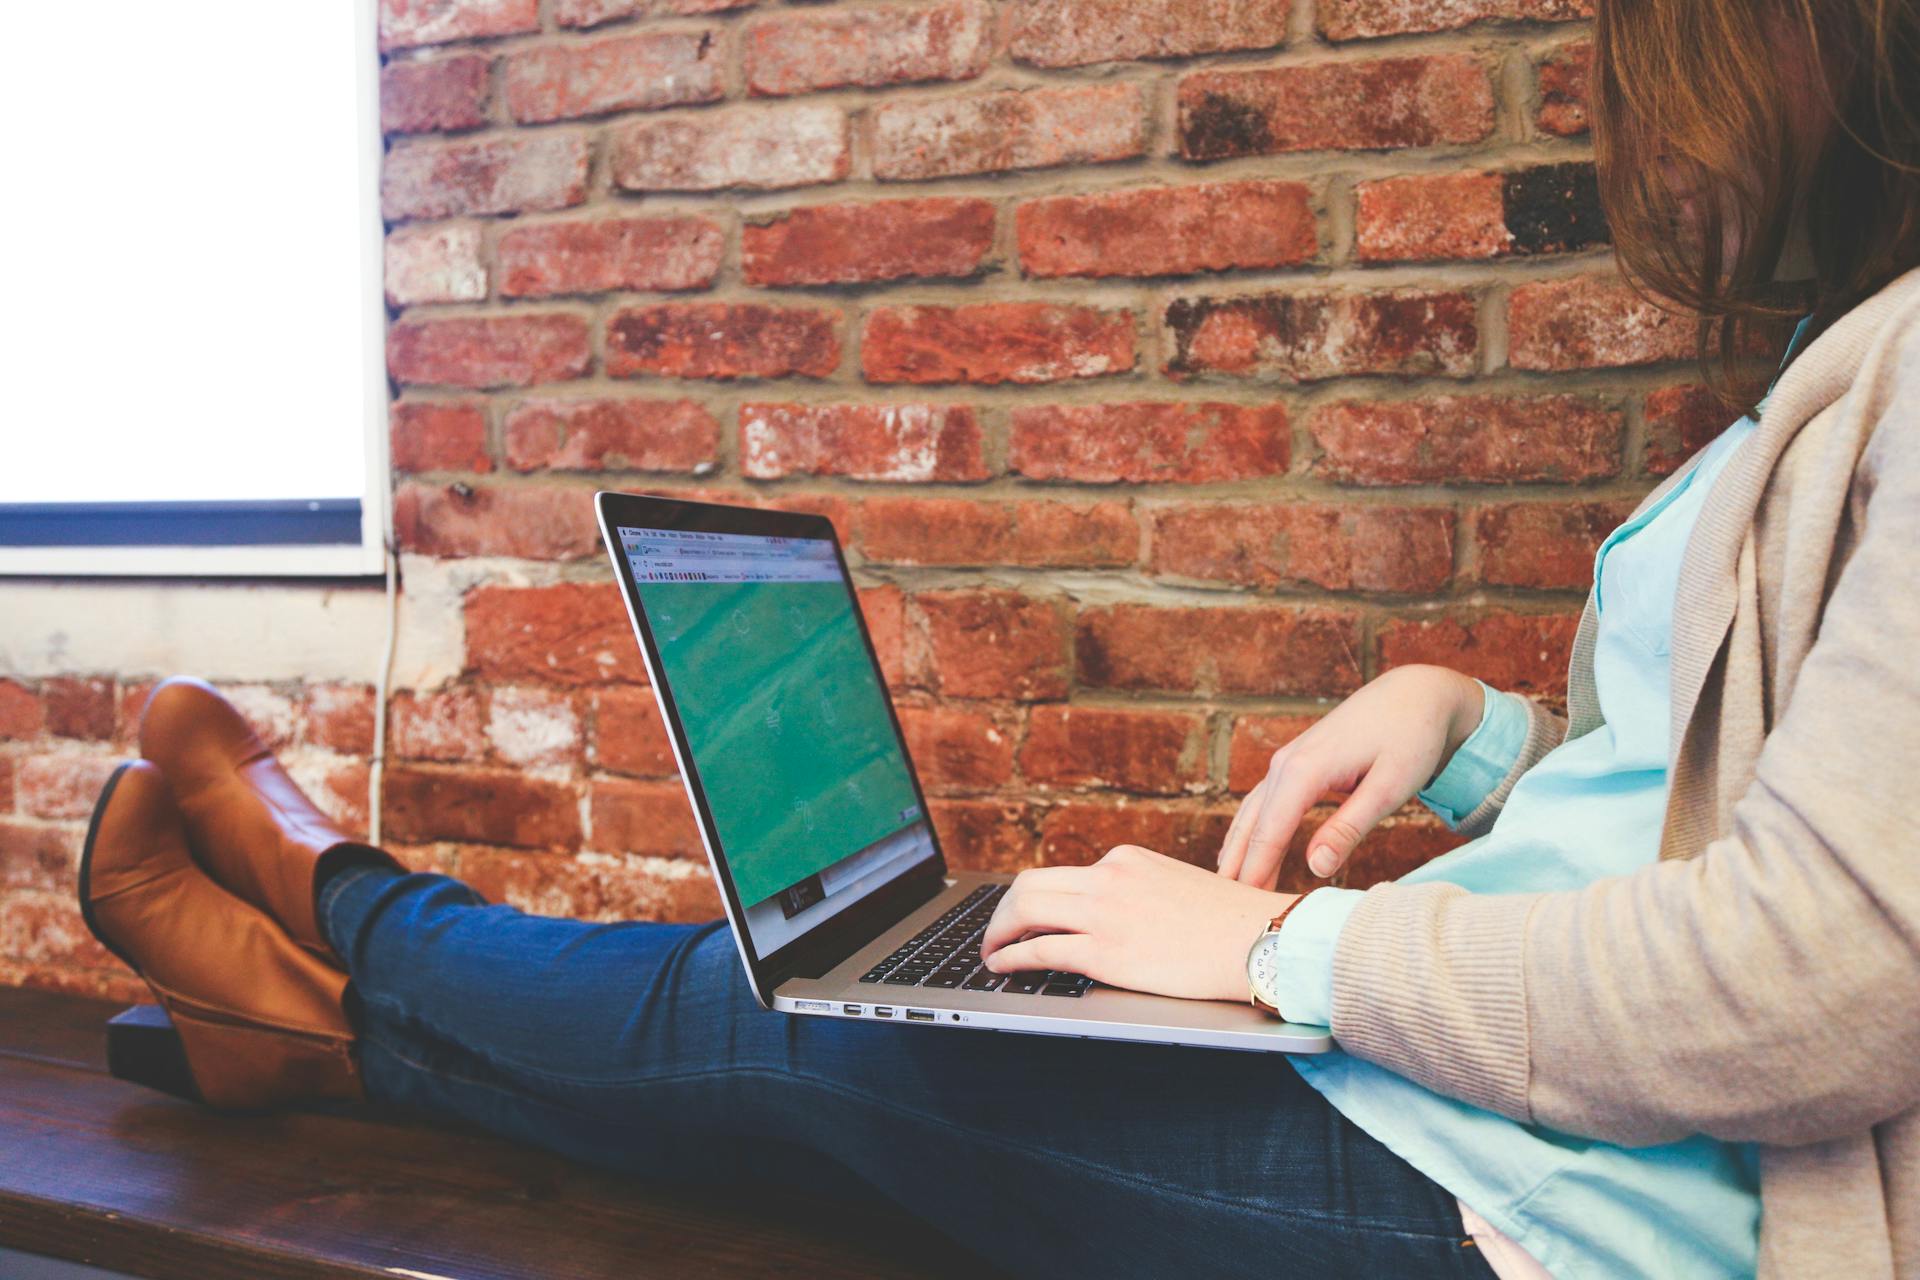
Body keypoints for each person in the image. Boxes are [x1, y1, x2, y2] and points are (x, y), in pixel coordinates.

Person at [72, 0, 1920, 1275]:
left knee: (796, 1033)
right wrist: (1484, 729)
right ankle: (311, 1023)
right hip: (1498, 1112)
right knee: (820, 1006)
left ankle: (338, 920)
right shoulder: (1867, 350)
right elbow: (1739, 786)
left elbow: (1818, 981)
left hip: (1546, 1216)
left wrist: (1288, 943)